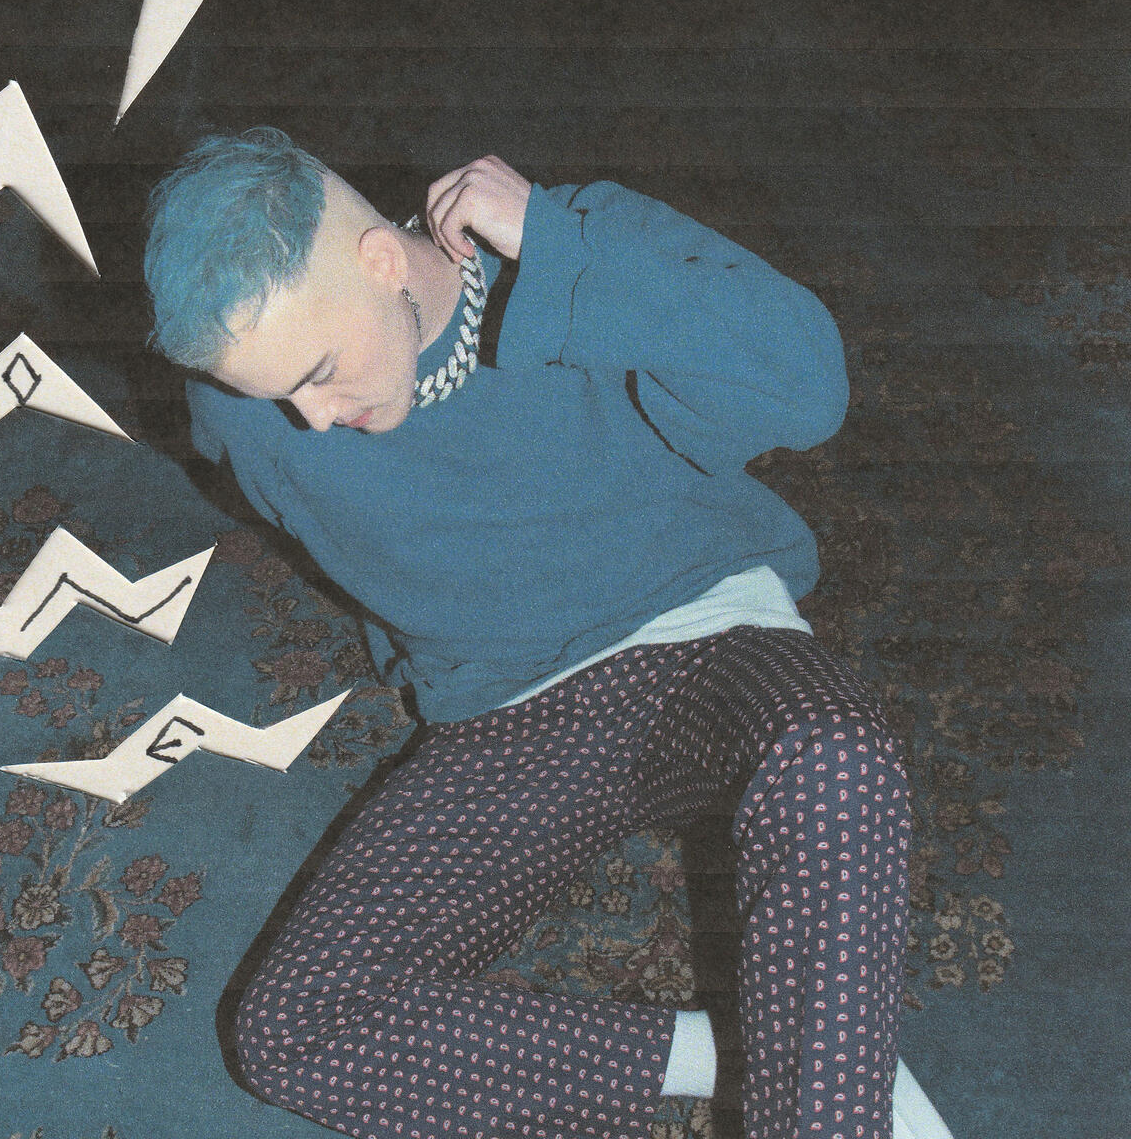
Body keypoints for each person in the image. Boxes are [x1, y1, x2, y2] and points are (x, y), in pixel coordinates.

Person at [143, 127, 953, 1139]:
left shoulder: (572, 246)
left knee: (835, 759)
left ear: (382, 260)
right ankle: (759, 1048)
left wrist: (566, 252)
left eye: (320, 369)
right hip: (505, 710)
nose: (309, 417)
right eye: (274, 393)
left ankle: (825, 1089)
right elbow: (276, 472)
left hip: (703, 631)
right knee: (292, 1029)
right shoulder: (244, 408)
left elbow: (806, 391)